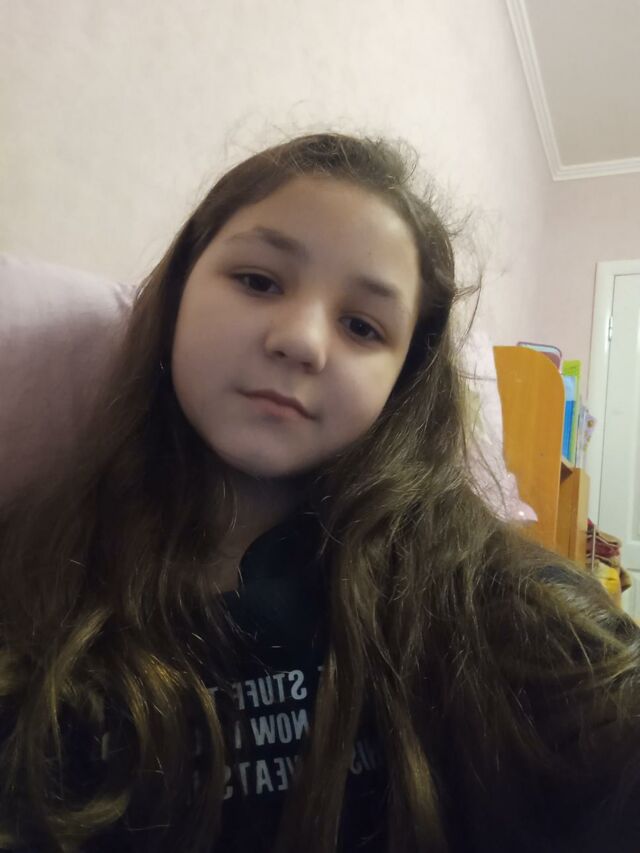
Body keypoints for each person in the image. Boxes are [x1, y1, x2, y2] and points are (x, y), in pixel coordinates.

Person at [1, 131, 639, 853]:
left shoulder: (487, 604)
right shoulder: (31, 572)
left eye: (363, 326)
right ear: (178, 291)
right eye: (258, 281)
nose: (302, 340)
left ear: (402, 379)